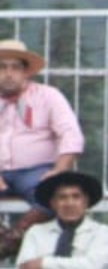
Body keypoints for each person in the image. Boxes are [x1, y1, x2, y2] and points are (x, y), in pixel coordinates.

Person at [0, 37, 84, 249]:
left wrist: (59, 170)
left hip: (36, 170)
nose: (8, 73)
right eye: (2, 67)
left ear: (26, 71)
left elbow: (71, 135)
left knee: (54, 193)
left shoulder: (48, 96)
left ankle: (14, 238)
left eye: (15, 67)